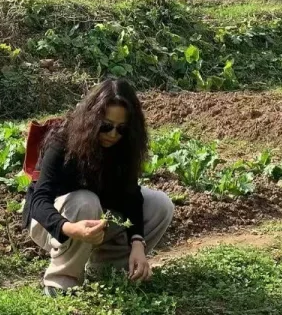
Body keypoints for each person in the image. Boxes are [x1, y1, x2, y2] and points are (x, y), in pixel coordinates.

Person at [25, 77, 175, 296]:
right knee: (86, 200)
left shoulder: (123, 147)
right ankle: (62, 279)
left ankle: (107, 269)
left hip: (96, 221)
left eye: (121, 129)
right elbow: (38, 202)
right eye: (105, 126)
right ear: (91, 119)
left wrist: (137, 243)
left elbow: (131, 196)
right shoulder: (61, 141)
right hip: (52, 223)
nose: (113, 135)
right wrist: (71, 228)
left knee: (161, 204)